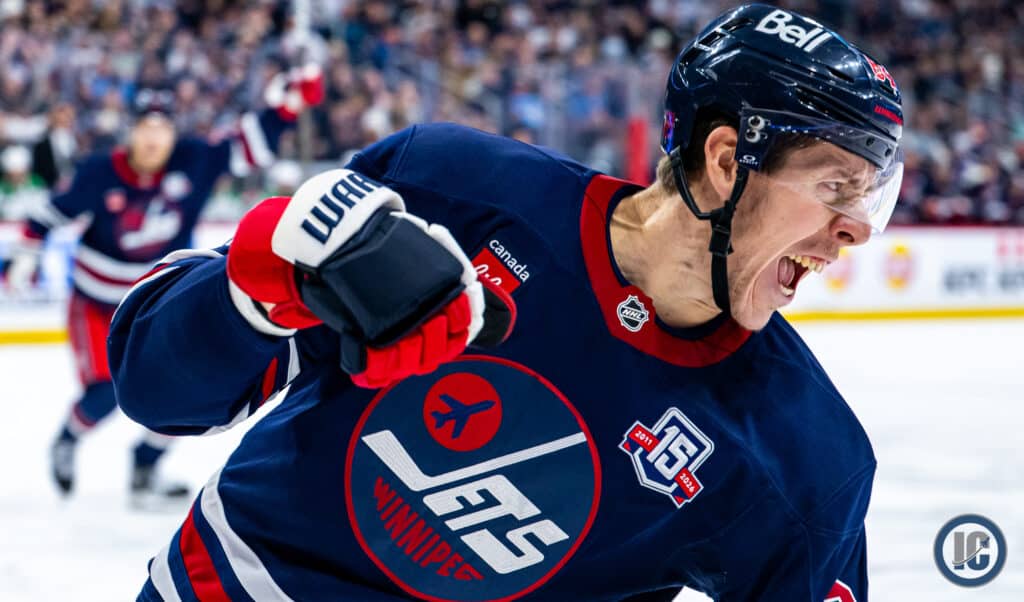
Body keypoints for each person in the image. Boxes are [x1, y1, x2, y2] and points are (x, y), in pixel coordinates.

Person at [110, 5, 903, 600]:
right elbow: (154, 388)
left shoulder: (807, 461)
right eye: (837, 186)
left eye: (871, 197)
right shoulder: (453, 187)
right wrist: (266, 282)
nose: (859, 230)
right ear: (727, 160)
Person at [8, 65, 324, 507]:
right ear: (131, 133)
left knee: (188, 387)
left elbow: (251, 146)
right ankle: (68, 438)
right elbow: (51, 213)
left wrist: (286, 106)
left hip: (162, 299)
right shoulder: (101, 171)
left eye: (162, 128)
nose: (153, 138)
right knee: (107, 392)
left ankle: (145, 466)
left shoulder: (195, 160)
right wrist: (25, 254)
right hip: (96, 302)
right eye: (145, 128)